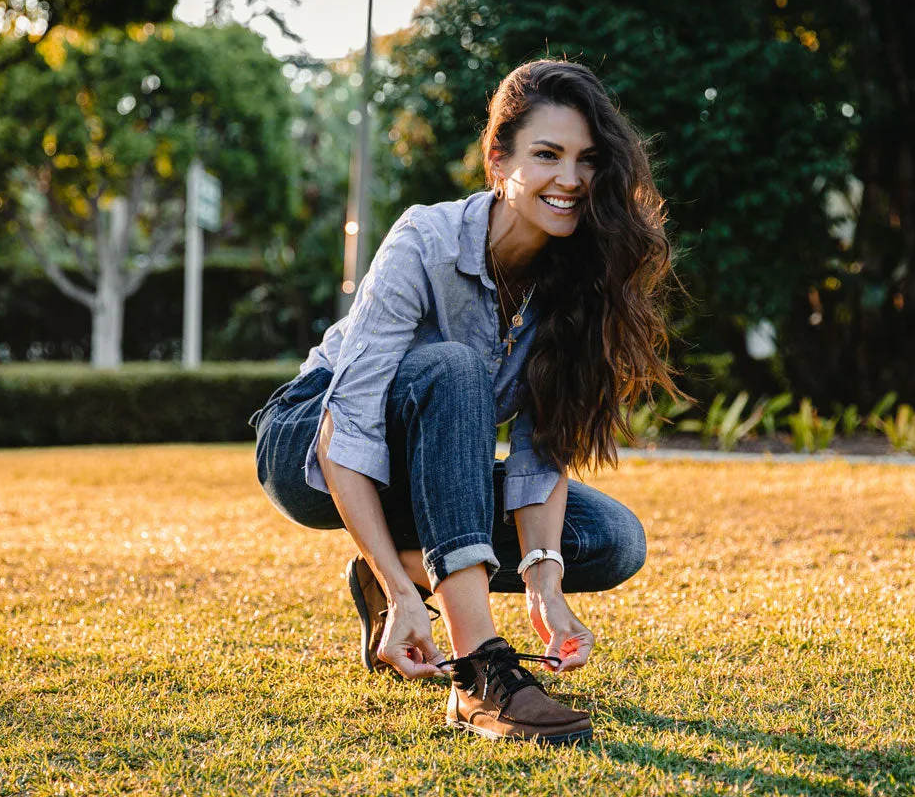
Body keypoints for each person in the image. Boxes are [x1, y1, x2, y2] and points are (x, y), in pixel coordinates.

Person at [251, 59, 680, 745]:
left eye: (587, 160)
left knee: (609, 540)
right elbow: (347, 427)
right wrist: (402, 594)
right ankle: (478, 673)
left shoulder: (577, 282)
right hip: (310, 442)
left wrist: (544, 584)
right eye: (547, 155)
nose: (570, 179)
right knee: (454, 367)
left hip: (429, 475)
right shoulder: (426, 240)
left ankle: (395, 568)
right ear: (497, 159)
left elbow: (541, 454)